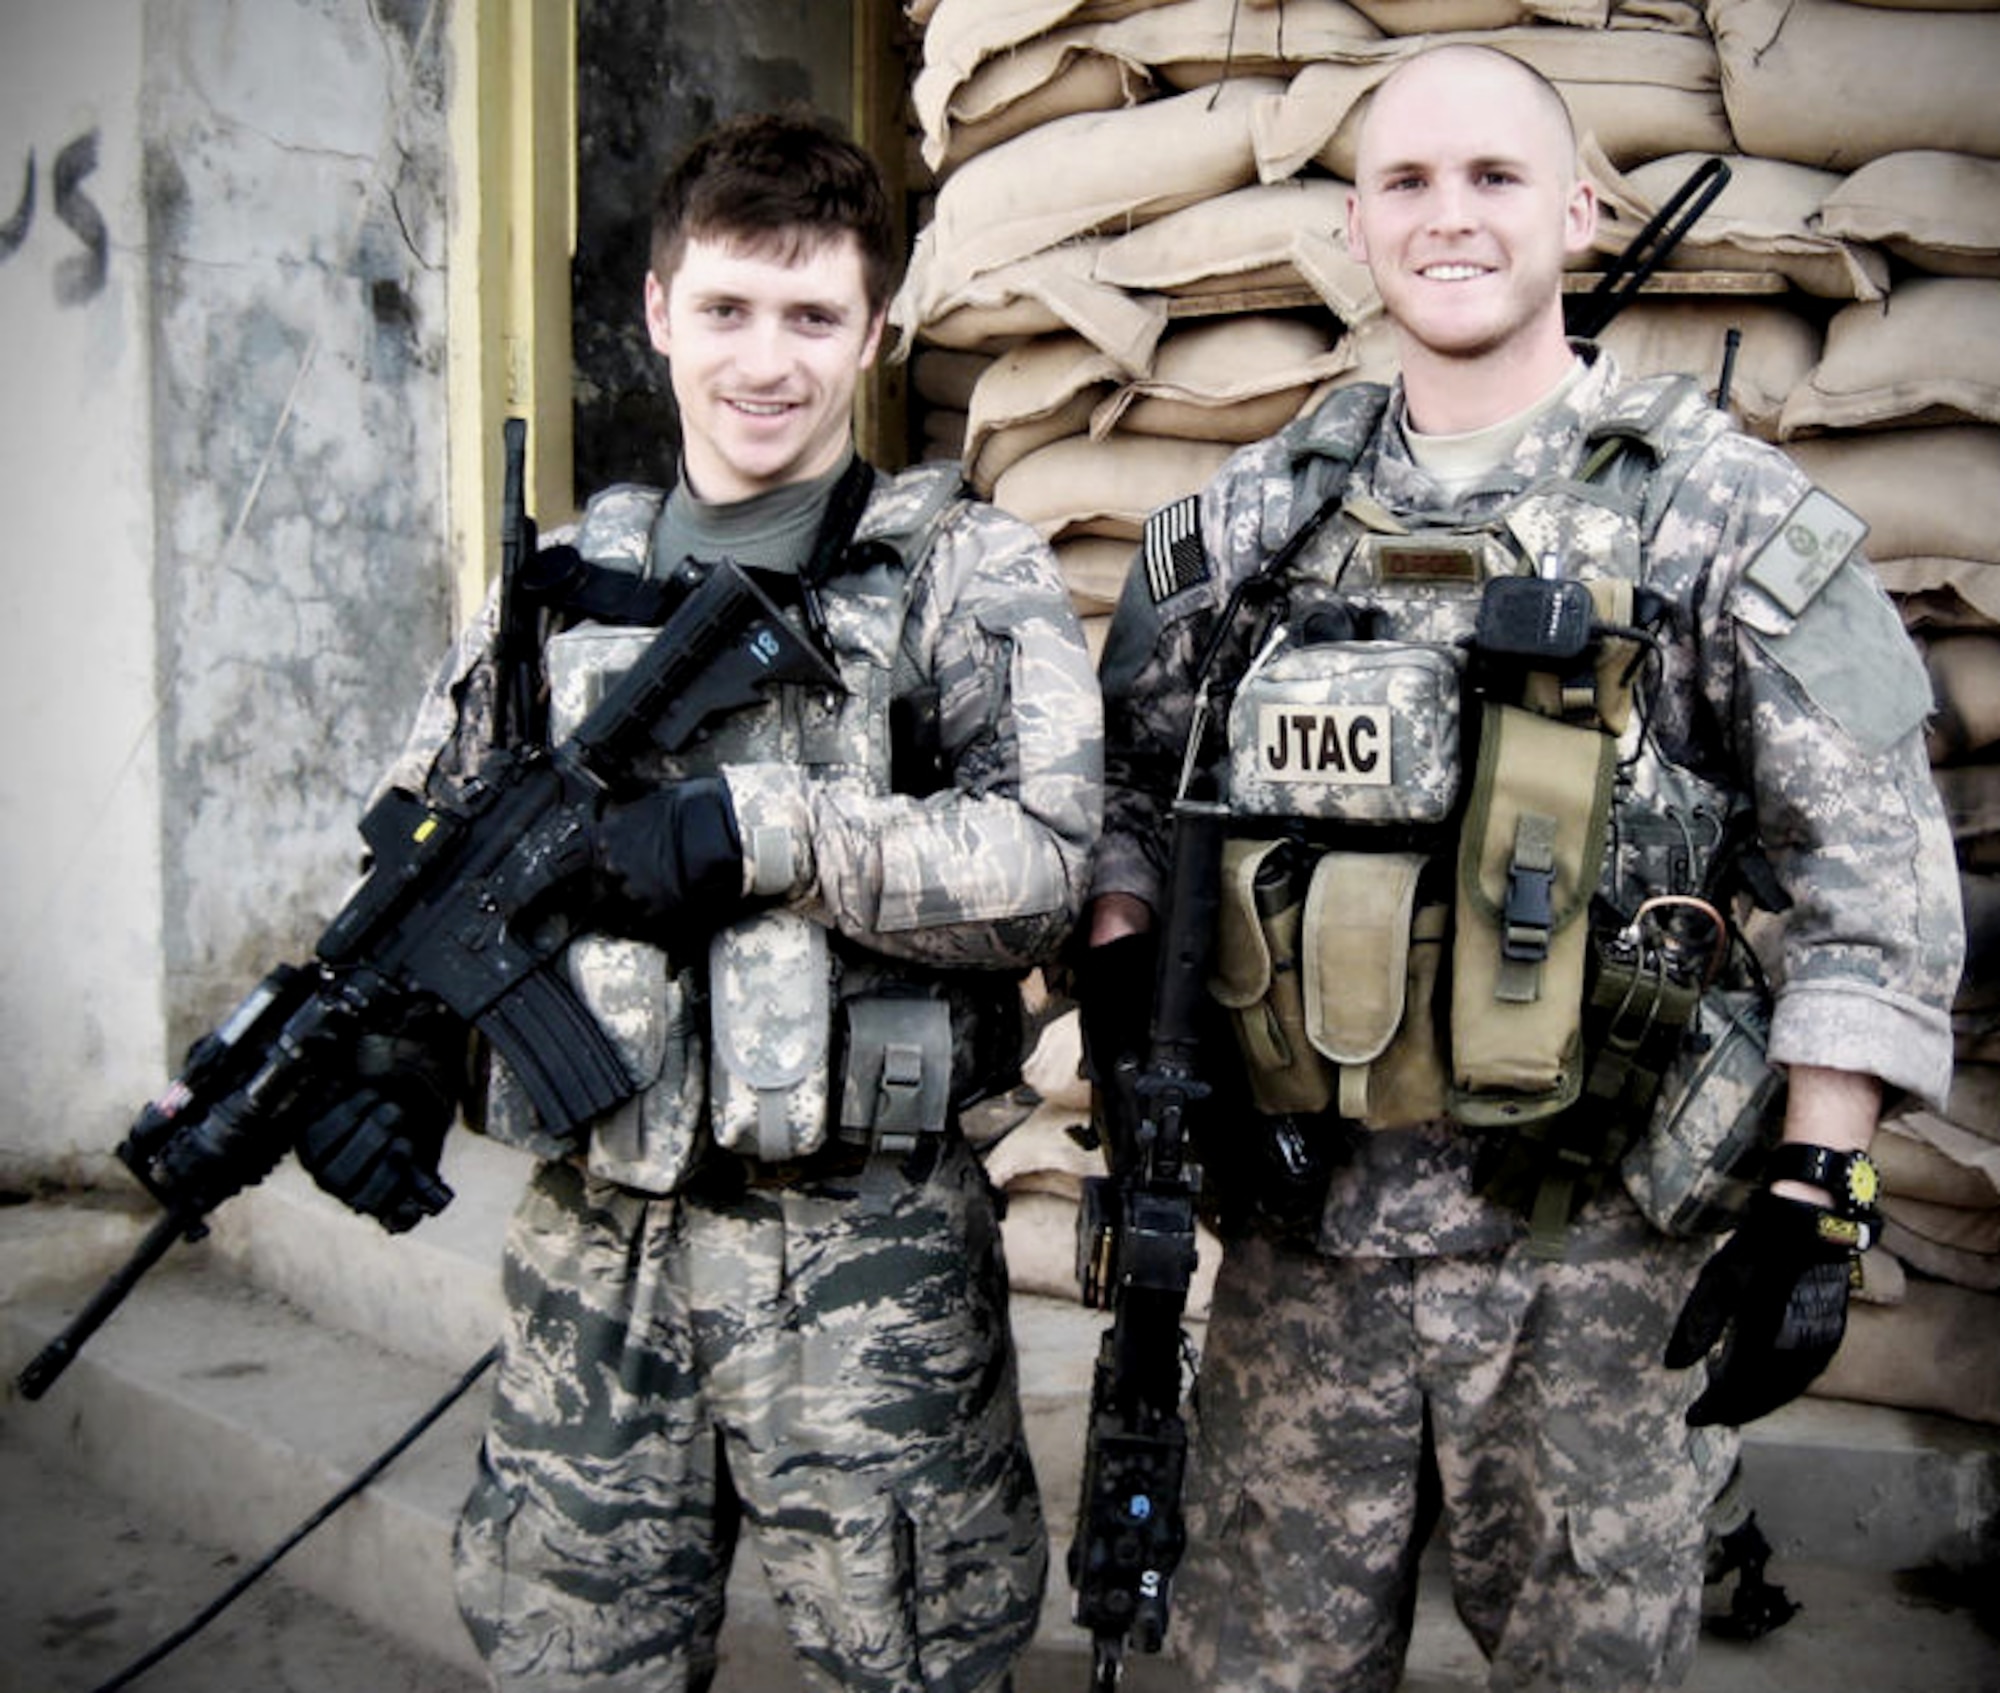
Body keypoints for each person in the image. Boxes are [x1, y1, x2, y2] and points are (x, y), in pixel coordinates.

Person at [1081, 43, 1962, 1693]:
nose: (1450, 218)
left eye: (1493, 177)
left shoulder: (1712, 513)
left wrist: (1821, 1193)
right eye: (1407, 183)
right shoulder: (1254, 525)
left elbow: (1874, 862)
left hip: (1586, 1279)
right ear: (1355, 226)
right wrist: (1135, 982)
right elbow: (1132, 786)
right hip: (1299, 1268)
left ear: (1578, 206)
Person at [306, 110, 1102, 1692]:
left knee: (916, 1662)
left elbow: (1049, 864)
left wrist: (767, 832)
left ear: (876, 335)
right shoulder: (548, 587)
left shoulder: (959, 572)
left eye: (813, 318)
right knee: (569, 1655)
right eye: (727, 309)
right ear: (657, 312)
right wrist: (389, 1050)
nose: (766, 360)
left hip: (868, 1261)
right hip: (592, 1255)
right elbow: (420, 850)